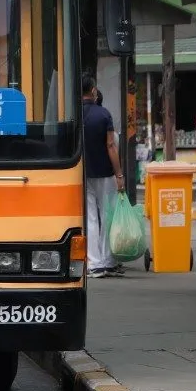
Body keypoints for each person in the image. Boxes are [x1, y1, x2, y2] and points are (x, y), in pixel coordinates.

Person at [82, 74, 124, 278]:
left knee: (90, 218)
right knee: (107, 216)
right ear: (93, 91)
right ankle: (107, 261)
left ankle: (94, 264)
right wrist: (119, 173)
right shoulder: (104, 114)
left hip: (82, 174)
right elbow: (110, 145)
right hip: (106, 174)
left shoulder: (73, 114)